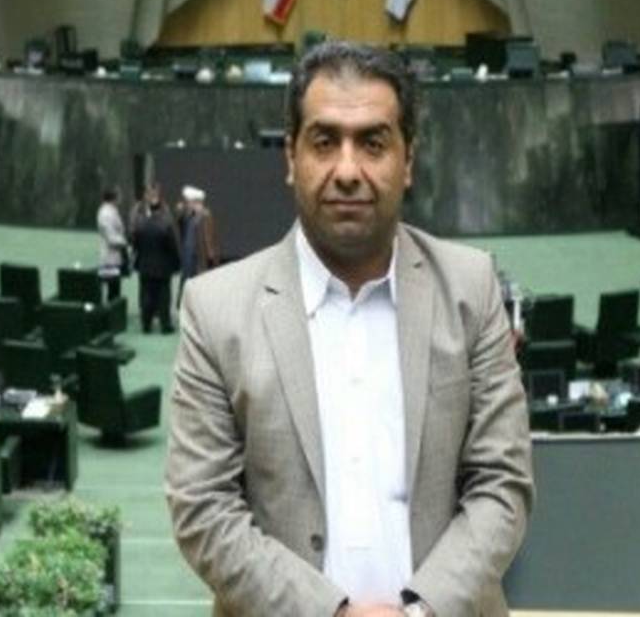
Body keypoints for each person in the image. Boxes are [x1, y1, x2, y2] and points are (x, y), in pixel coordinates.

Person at [165, 42, 534, 616]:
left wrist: (419, 611)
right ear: (291, 157)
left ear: (408, 161)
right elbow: (204, 508)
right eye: (323, 142)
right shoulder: (216, 311)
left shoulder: (471, 288)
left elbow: (502, 485)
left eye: (373, 143)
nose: (346, 170)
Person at [129, 182, 179, 333]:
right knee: (164, 297)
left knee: (146, 296)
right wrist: (176, 263)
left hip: (145, 265)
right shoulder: (165, 224)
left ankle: (146, 325)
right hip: (163, 267)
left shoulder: (140, 224)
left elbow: (135, 242)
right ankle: (165, 325)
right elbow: (172, 246)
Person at [176, 185, 219, 305]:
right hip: (188, 259)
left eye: (191, 202)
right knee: (186, 285)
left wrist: (211, 256)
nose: (189, 205)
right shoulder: (188, 216)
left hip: (199, 260)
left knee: (200, 288)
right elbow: (180, 221)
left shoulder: (205, 216)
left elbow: (210, 238)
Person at [96, 187, 128, 302]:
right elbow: (111, 238)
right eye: (119, 196)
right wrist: (126, 242)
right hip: (110, 259)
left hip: (115, 258)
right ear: (114, 198)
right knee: (113, 290)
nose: (121, 198)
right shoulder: (106, 214)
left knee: (115, 288)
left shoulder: (112, 211)